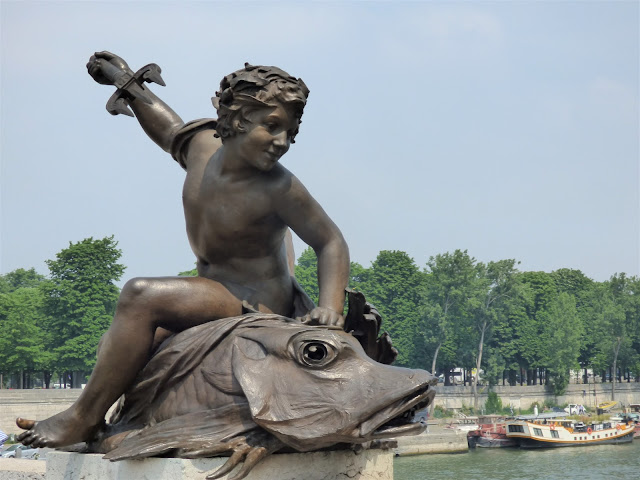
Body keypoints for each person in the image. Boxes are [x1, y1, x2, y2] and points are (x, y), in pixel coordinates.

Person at [17, 52, 350, 449]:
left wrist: (331, 308)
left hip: (255, 300)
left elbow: (330, 241)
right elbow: (169, 129)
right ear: (236, 121)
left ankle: (80, 420)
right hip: (213, 286)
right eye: (272, 127)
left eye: (291, 133)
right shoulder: (203, 147)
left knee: (140, 294)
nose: (282, 142)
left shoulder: (280, 187)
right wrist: (125, 82)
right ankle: (106, 423)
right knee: (126, 340)